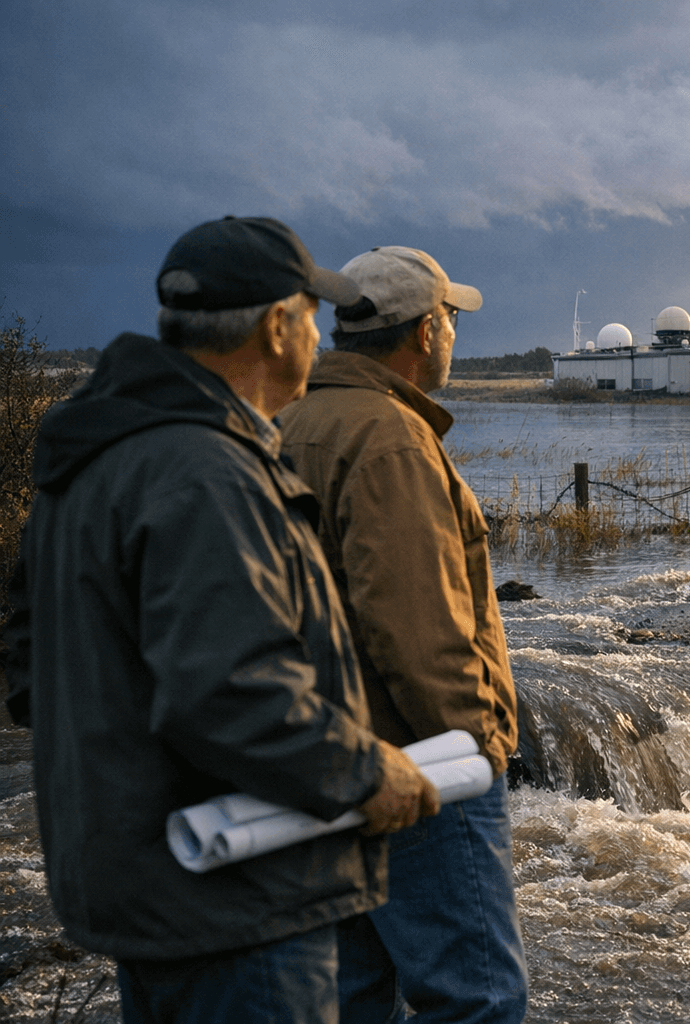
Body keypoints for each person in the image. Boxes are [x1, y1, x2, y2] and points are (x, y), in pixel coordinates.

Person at [3, 216, 440, 1023]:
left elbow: (30, 668)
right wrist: (366, 774)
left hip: (144, 881)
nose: (321, 337)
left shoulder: (97, 453)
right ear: (276, 328)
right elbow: (235, 692)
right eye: (312, 316)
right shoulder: (207, 473)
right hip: (239, 899)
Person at [279, 246, 526, 1023]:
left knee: (351, 998)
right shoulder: (390, 439)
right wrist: (479, 747)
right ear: (425, 331)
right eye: (451, 318)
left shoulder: (290, 421)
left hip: (326, 760)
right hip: (420, 766)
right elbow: (418, 629)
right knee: (479, 999)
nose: (453, 333)